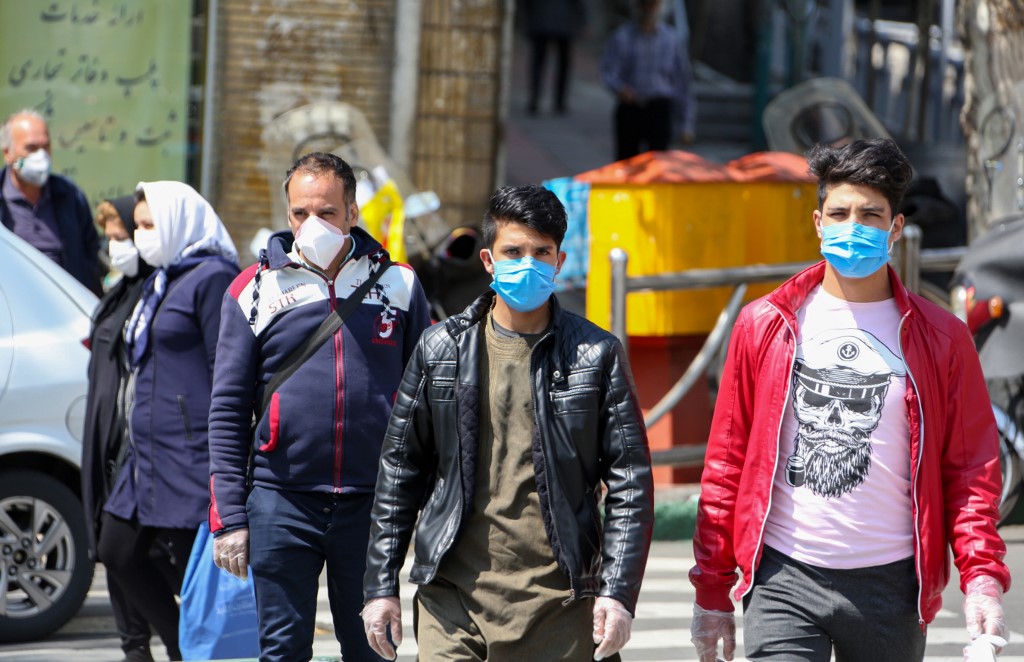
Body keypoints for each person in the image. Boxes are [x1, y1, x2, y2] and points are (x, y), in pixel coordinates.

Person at [688, 138, 1011, 662]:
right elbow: (727, 463)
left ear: (895, 228)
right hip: (782, 577)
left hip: (891, 588)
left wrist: (982, 578)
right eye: (839, 213)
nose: (852, 227)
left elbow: (971, 470)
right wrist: (711, 594)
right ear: (818, 223)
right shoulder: (765, 326)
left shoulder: (943, 338)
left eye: (870, 215)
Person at [362, 184, 655, 661]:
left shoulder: (596, 355)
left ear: (560, 262)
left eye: (542, 252)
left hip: (561, 610)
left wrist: (617, 594)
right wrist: (381, 587)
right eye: (513, 251)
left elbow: (631, 481)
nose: (529, 263)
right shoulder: (441, 351)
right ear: (487, 260)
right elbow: (400, 471)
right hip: (453, 602)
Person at [207, 151, 432, 661]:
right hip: (280, 501)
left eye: (327, 212)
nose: (312, 224)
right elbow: (226, 409)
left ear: (353, 212)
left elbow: (429, 398)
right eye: (300, 213)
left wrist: (426, 495)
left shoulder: (400, 285)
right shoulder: (253, 290)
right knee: (283, 651)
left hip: (373, 504)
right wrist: (230, 517)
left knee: (372, 649)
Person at [98, 181, 240, 661]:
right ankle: (183, 647)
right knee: (115, 550)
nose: (140, 236)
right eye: (137, 226)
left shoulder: (212, 276)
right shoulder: (164, 277)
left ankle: (200, 651)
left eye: (149, 225)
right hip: (148, 458)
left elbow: (228, 367)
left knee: (196, 571)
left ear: (179, 221)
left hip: (190, 455)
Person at [81, 195, 158, 662]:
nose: (117, 247)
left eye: (122, 236)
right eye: (109, 238)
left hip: (135, 441)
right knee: (113, 549)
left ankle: (177, 643)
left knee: (129, 551)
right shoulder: (119, 289)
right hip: (105, 436)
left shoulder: (154, 291)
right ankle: (135, 650)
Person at [0, 109, 102, 294]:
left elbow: (90, 249)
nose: (41, 156)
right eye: (31, 148)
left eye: (45, 147)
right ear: (8, 153)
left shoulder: (69, 195)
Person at [600, 0, 695, 161]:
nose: (649, 9)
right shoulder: (622, 37)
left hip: (659, 110)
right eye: (644, 4)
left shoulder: (671, 40)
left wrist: (686, 124)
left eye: (653, 4)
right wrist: (620, 88)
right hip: (631, 108)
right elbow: (608, 71)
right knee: (626, 166)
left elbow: (682, 83)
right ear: (636, 6)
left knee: (658, 167)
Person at [523, 0, 586, 115]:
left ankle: (536, 99)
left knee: (539, 63)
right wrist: (583, 20)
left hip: (542, 20)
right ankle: (558, 102)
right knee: (561, 64)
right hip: (561, 21)